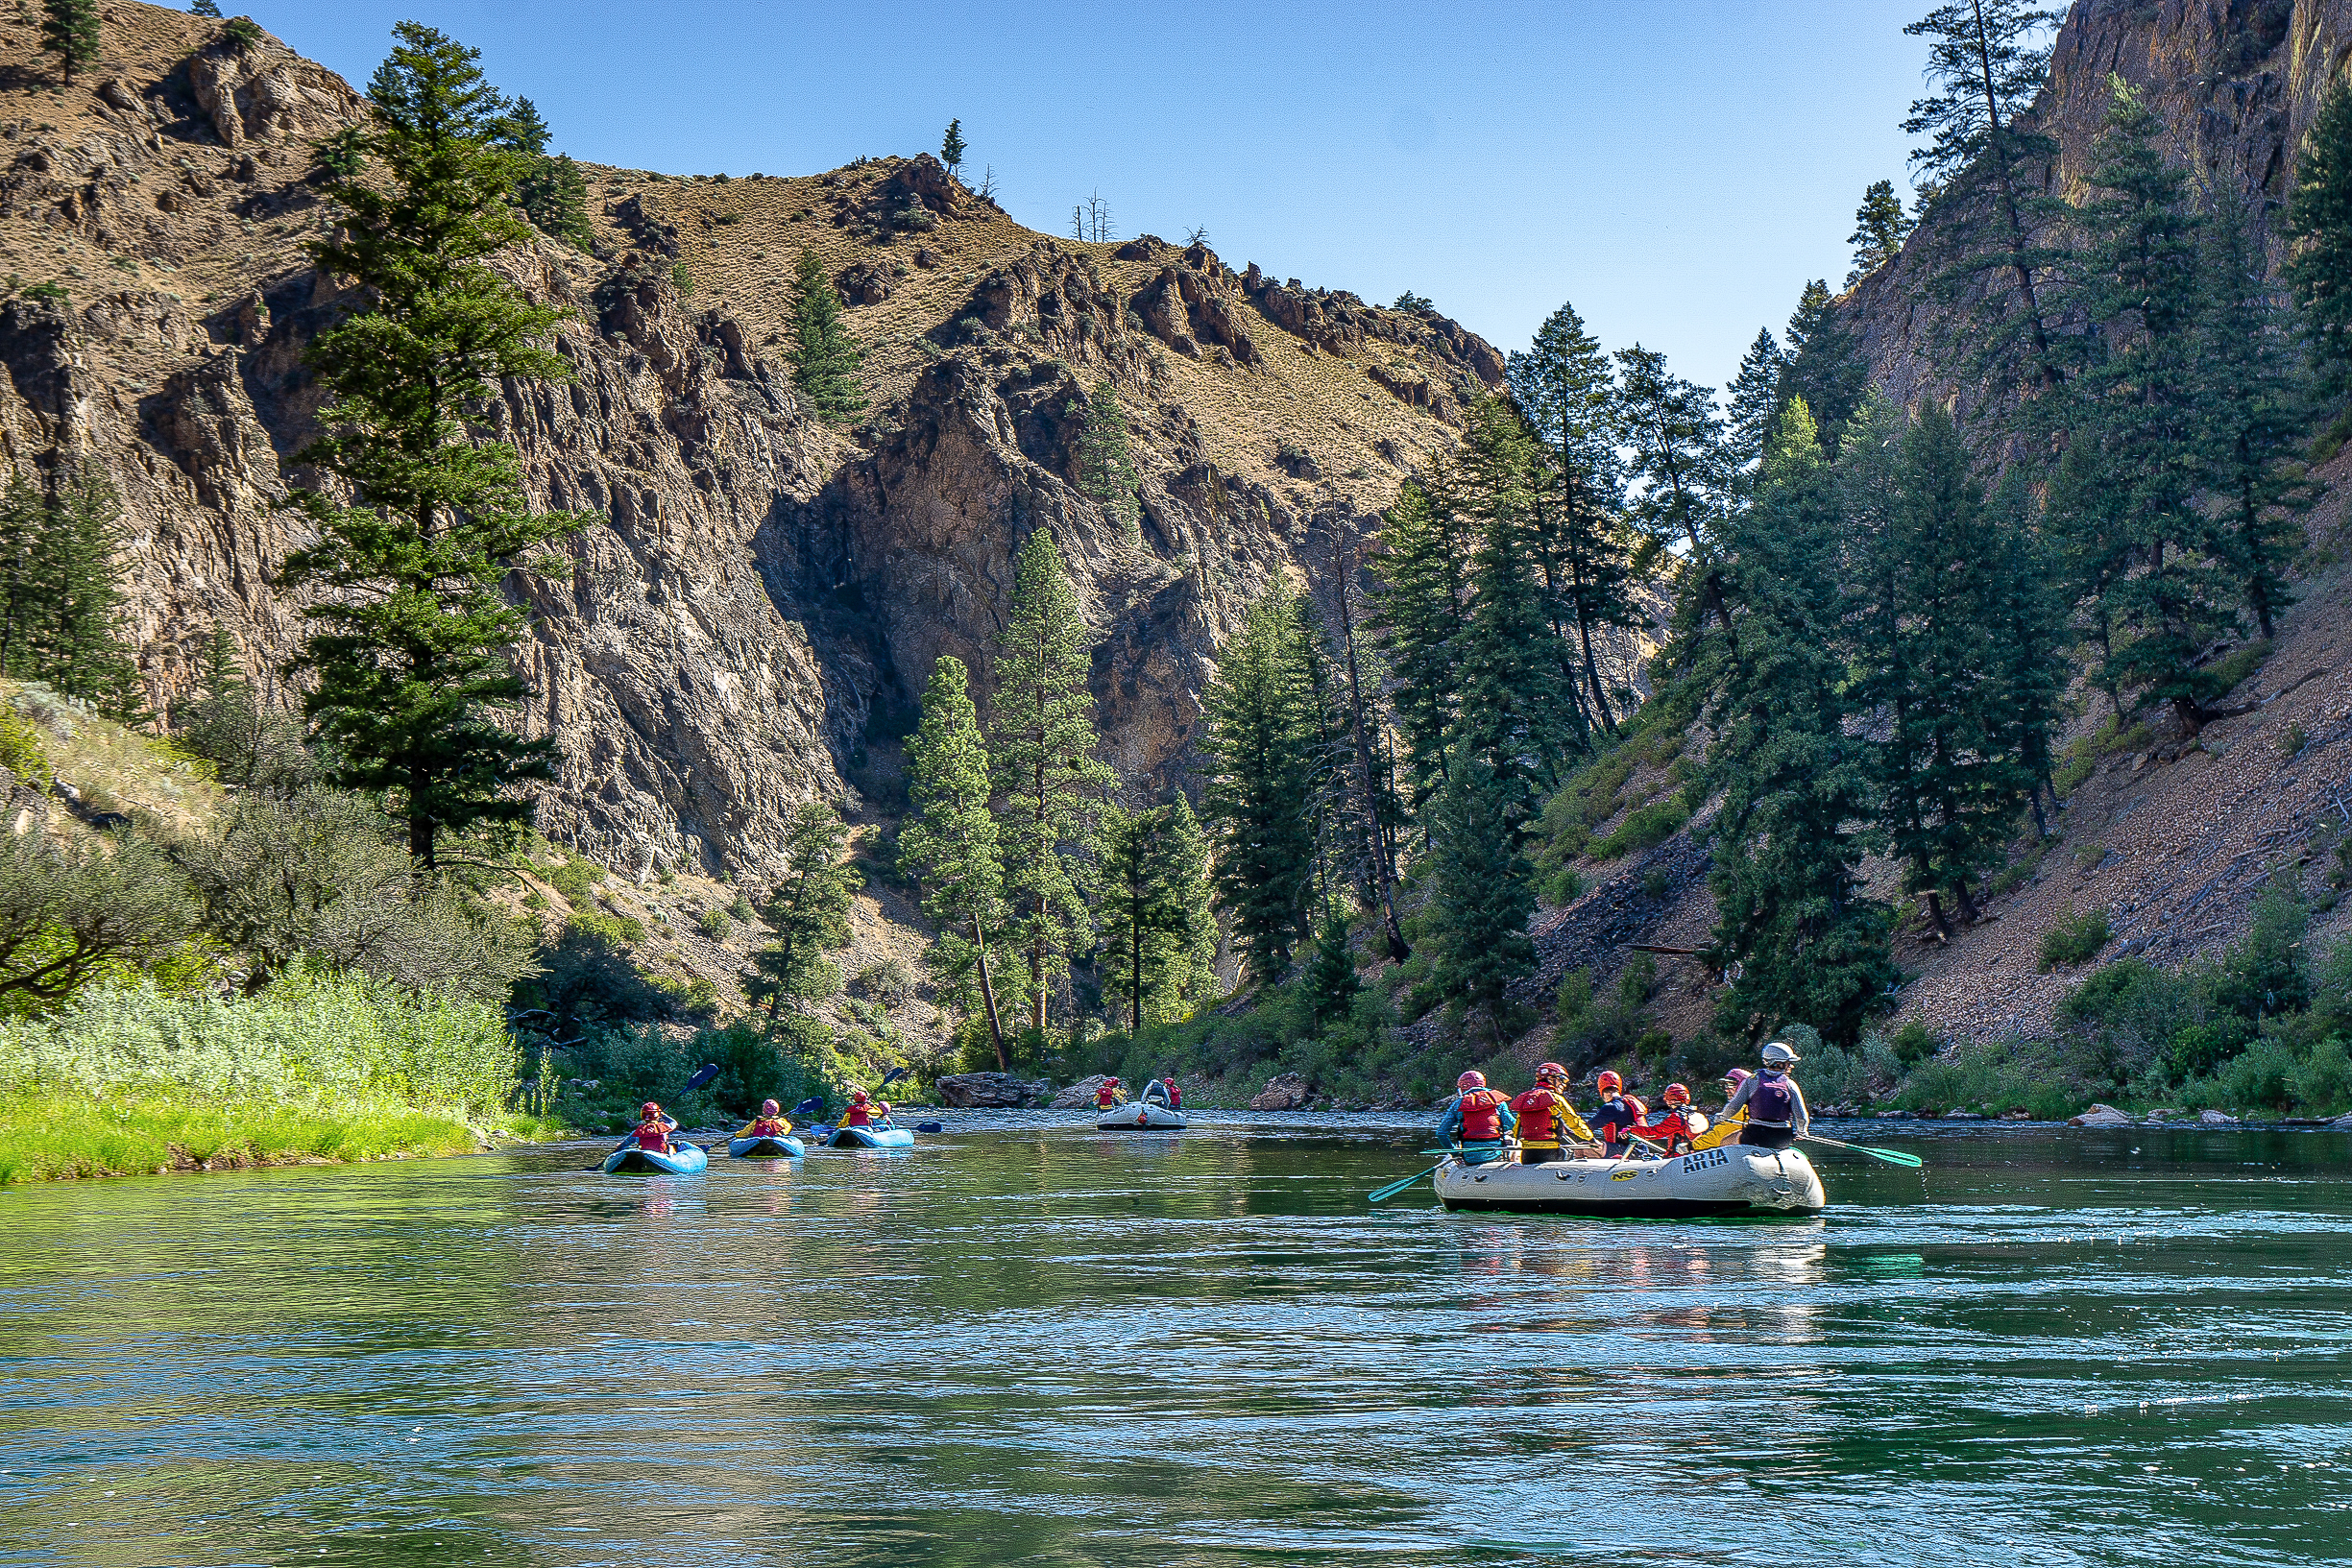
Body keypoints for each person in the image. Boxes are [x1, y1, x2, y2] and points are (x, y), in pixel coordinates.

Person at [1720, 1042, 1808, 1149]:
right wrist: (1801, 1131)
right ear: (1777, 1063)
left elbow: (1734, 1106)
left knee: (1725, 1141)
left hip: (1755, 1135)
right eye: (1788, 1063)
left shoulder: (1751, 1081)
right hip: (1782, 1138)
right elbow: (1801, 1115)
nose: (1791, 1066)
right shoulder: (1790, 1084)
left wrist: (1722, 1117)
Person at [1509, 1062, 1597, 1164]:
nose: (1564, 1084)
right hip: (1549, 1152)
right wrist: (1591, 1138)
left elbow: (1516, 1129)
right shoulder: (1555, 1099)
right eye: (1562, 1080)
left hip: (1527, 1154)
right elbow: (1574, 1122)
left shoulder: (1526, 1099)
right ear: (1551, 1079)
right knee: (1568, 1153)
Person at [1435, 1070, 1516, 1163]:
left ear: (1463, 1087)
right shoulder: (1498, 1102)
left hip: (1469, 1157)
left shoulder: (1458, 1104)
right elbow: (1513, 1125)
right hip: (1495, 1154)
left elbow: (1441, 1133)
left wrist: (1455, 1153)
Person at [1633, 1083, 1709, 1155]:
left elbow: (1652, 1133)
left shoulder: (1677, 1117)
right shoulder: (1694, 1113)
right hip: (1694, 1154)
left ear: (1670, 1098)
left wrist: (1631, 1130)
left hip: (1679, 1156)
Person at [1588, 1071, 1647, 1157]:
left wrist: (1570, 1130)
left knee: (1581, 1149)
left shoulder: (1610, 1107)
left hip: (1626, 1151)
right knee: (1593, 1146)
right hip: (1642, 1150)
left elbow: (1589, 1126)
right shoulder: (1628, 1103)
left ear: (1601, 1091)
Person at [1690, 1069, 1750, 1151]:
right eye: (1726, 1086)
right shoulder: (1756, 1105)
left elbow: (1718, 1137)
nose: (1727, 1089)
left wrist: (1690, 1146)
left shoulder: (1740, 1109)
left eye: (1730, 1085)